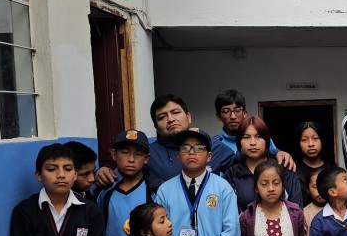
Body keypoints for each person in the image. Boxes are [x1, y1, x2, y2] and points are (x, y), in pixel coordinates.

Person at [94, 95, 234, 187]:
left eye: (175, 112)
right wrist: (102, 171)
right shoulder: (148, 153)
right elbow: (123, 171)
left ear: (188, 117)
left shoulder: (213, 146)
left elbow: (244, 168)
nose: (171, 119)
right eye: (162, 117)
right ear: (156, 126)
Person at [225, 116, 304, 212]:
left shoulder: (283, 167)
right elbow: (230, 214)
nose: (253, 143)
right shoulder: (232, 174)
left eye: (258, 137)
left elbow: (297, 209)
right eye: (246, 137)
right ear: (239, 142)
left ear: (267, 141)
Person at [212, 89, 295, 171]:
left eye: (237, 110)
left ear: (244, 113)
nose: (233, 116)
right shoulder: (214, 145)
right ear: (218, 116)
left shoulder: (263, 140)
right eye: (226, 111)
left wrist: (280, 153)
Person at [295, 121, 332, 205]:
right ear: (298, 143)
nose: (311, 144)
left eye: (315, 138)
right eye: (304, 140)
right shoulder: (292, 169)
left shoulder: (331, 169)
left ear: (322, 140)